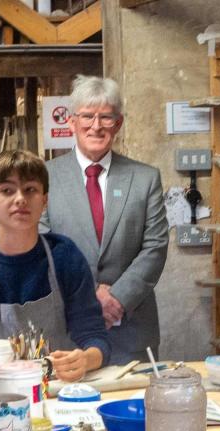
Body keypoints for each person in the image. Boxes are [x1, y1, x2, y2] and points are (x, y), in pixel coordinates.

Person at [0, 149, 110, 383]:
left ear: (44, 201)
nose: (20, 199)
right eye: (7, 191)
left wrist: (86, 359)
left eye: (30, 190)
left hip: (59, 392)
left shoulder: (65, 257)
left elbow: (95, 336)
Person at [40, 75, 168, 365]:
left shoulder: (145, 178)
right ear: (71, 122)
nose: (96, 126)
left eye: (106, 117)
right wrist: (90, 294)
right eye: (87, 116)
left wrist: (117, 299)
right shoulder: (44, 177)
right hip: (69, 332)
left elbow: (155, 248)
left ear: (118, 124)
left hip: (132, 331)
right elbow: (44, 248)